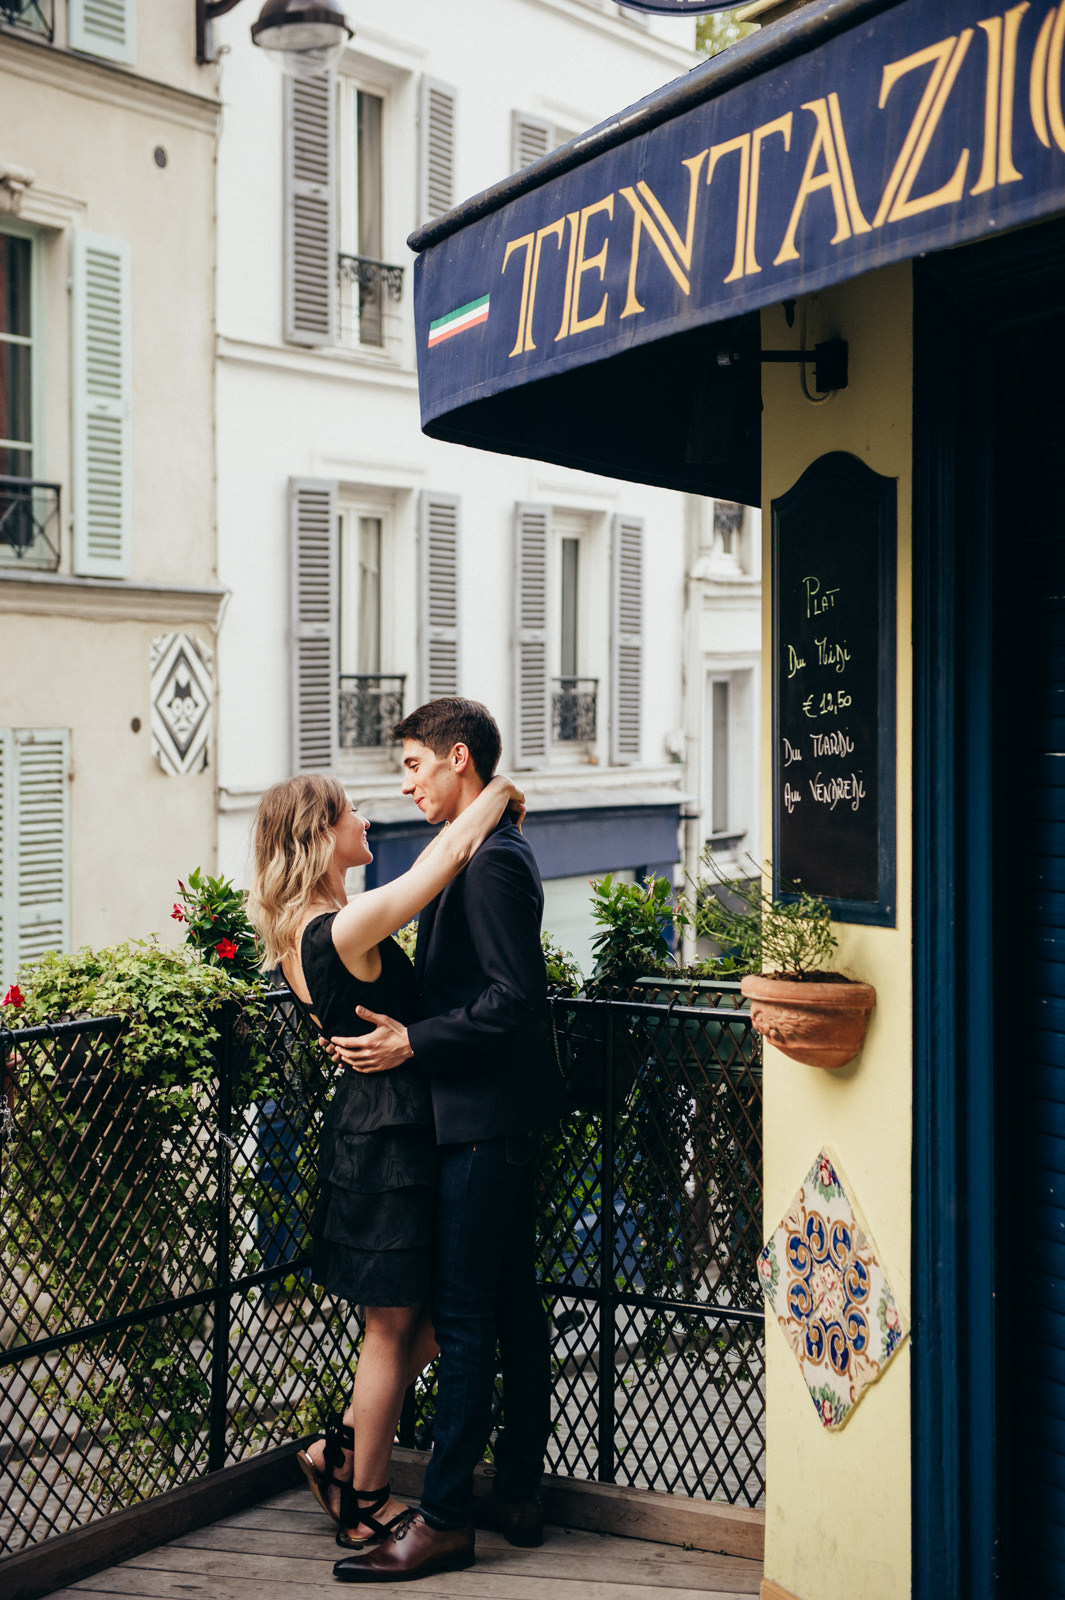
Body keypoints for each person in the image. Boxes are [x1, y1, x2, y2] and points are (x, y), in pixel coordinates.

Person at [247, 769, 525, 1552]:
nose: (366, 819)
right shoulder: (340, 927)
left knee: (417, 1321)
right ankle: (365, 1501)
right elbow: (443, 861)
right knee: (393, 1327)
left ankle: (338, 1449)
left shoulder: (305, 924)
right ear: (318, 835)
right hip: (391, 1132)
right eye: (350, 813)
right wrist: (496, 791)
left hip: (376, 1127)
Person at [329, 699, 560, 1585]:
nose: (405, 781)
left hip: (483, 1123)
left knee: (465, 1320)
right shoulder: (482, 850)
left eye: (415, 765)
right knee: (508, 1305)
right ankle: (521, 1494)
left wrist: (410, 1043)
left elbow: (512, 1002)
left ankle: (446, 1518)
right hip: (489, 1118)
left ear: (456, 759)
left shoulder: (492, 865)